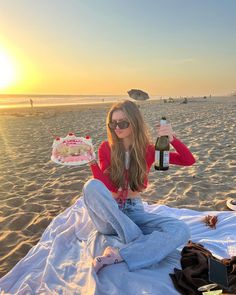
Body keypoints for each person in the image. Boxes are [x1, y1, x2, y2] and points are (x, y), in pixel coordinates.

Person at [83, 100, 195, 273]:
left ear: (134, 123)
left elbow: (188, 160)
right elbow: (105, 185)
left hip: (134, 211)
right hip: (109, 214)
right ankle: (136, 239)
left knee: (181, 229)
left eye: (123, 123)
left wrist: (172, 139)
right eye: (113, 123)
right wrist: (92, 163)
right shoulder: (106, 147)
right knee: (91, 186)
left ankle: (120, 253)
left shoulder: (149, 150)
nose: (117, 128)